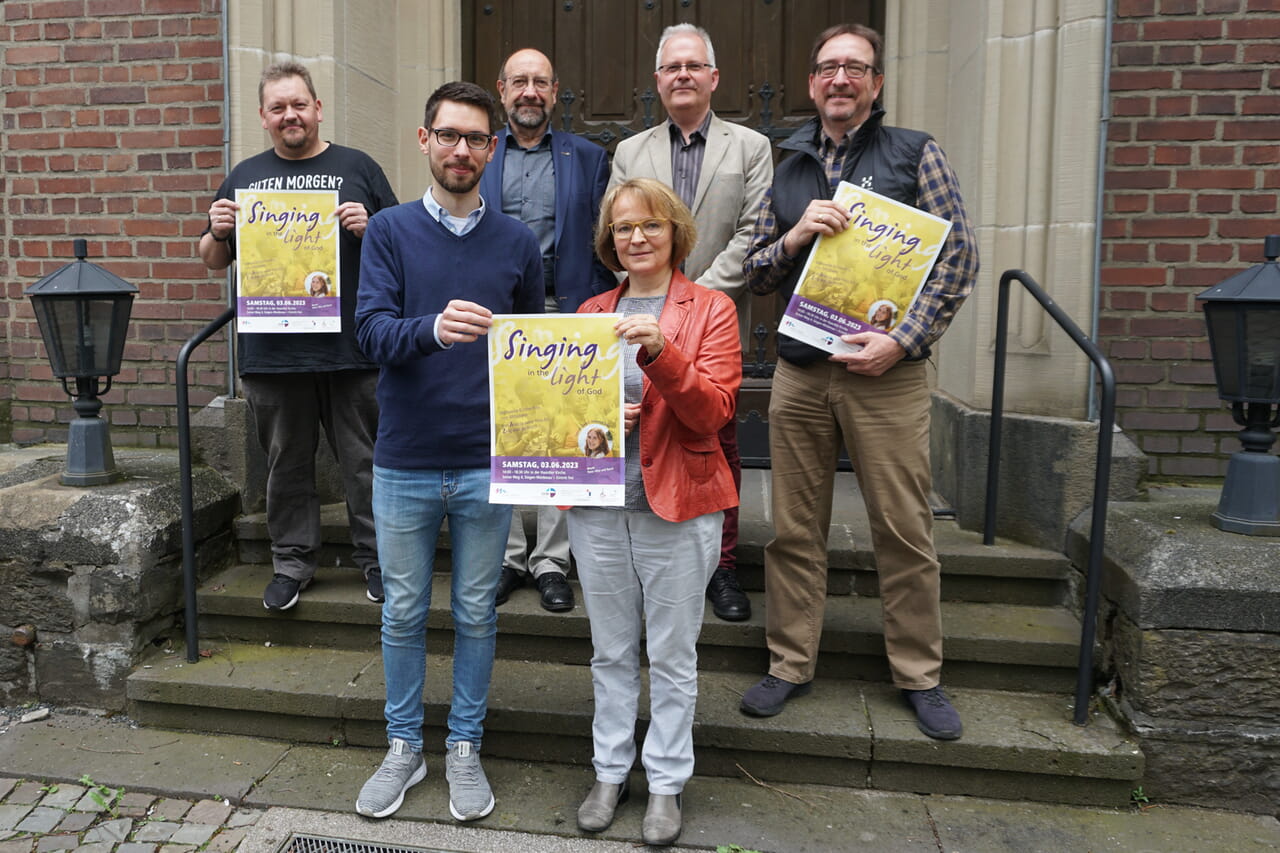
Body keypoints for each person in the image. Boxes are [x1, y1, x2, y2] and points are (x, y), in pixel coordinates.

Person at [740, 23, 979, 741]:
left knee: (903, 530)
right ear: (812, 84)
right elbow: (755, 268)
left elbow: (958, 257)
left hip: (887, 377)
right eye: (827, 68)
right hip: (801, 373)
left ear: (875, 84)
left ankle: (919, 674)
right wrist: (793, 235)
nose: (840, 79)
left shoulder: (915, 153)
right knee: (793, 529)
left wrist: (903, 339)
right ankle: (789, 661)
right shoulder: (785, 163)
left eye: (856, 68)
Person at [352, 81, 543, 822]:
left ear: (492, 151)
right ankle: (404, 745)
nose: (462, 149)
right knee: (402, 610)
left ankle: (465, 743)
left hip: (485, 460)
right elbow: (369, 332)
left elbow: (533, 355)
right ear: (424, 139)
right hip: (403, 458)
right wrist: (431, 328)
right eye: (449, 135)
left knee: (475, 611)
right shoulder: (392, 232)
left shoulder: (519, 242)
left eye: (476, 138)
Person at [569, 178, 740, 846]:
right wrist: (597, 416)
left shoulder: (711, 310)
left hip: (681, 500)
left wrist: (662, 354)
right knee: (610, 650)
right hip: (600, 503)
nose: (635, 238)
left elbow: (715, 412)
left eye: (650, 225)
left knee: (672, 654)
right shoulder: (588, 309)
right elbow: (562, 408)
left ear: (676, 232)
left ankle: (665, 782)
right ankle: (609, 771)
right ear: (608, 241)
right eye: (622, 229)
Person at [199, 61, 397, 611]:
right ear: (263, 117)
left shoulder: (358, 167)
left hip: (353, 348)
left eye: (299, 104)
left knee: (365, 463)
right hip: (273, 353)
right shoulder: (245, 176)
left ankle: (381, 562)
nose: (291, 114)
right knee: (285, 464)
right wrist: (218, 229)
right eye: (278, 107)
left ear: (318, 108)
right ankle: (291, 563)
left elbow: (404, 248)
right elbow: (213, 259)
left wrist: (372, 226)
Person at [610, 24, 773, 623]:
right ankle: (634, 557)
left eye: (692, 65)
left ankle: (723, 568)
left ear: (713, 77)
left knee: (716, 447)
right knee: (642, 435)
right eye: (671, 67)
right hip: (642, 312)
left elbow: (756, 231)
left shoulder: (750, 146)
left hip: (712, 314)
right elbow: (620, 222)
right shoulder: (631, 152)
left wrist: (691, 298)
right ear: (658, 81)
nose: (682, 75)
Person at [479, 48, 614, 614]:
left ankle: (552, 560)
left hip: (569, 309)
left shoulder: (587, 156)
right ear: (502, 90)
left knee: (563, 434)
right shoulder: (475, 154)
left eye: (540, 82)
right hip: (500, 312)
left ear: (555, 91)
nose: (529, 91)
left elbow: (607, 236)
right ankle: (508, 557)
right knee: (505, 433)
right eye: (519, 83)